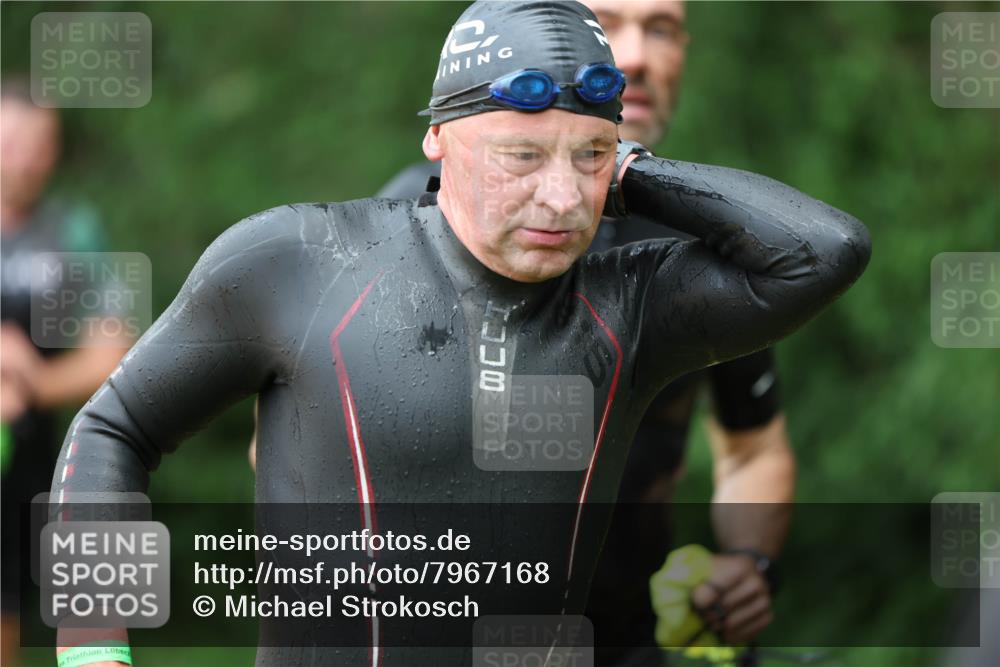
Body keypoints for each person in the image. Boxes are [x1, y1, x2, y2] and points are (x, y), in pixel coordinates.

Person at [49, 2, 870, 666]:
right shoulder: (299, 261)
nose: (559, 200)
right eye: (521, 156)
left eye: (590, 159)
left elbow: (825, 251)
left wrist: (629, 169)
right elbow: (115, 427)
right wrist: (94, 649)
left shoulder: (635, 304)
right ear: (438, 137)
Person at [377, 2, 793, 662]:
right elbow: (296, 438)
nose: (635, 57)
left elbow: (753, 448)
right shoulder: (413, 214)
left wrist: (747, 561)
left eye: (660, 28)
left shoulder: (698, 237)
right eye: (606, 23)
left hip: (629, 642)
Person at [1, 79, 131, 667]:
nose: (30, 156)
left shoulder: (73, 232)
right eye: (16, 139)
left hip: (29, 467)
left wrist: (28, 384)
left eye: (43, 141)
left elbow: (113, 352)